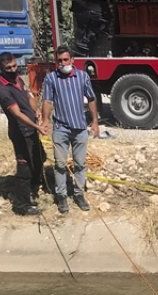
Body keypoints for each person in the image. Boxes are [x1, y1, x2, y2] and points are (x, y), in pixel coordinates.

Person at [40, 46, 101, 214]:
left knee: (80, 163)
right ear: (56, 62)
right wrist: (45, 121)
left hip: (80, 128)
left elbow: (91, 98)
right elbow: (47, 101)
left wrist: (95, 122)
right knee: (60, 164)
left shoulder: (82, 77)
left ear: (72, 60)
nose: (63, 63)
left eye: (66, 60)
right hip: (61, 128)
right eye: (59, 61)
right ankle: (61, 196)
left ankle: (79, 193)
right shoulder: (51, 78)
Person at [0, 52, 47, 215]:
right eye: (8, 68)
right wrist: (37, 127)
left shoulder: (17, 79)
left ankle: (35, 186)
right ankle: (21, 205)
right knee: (24, 168)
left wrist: (36, 109)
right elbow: (17, 114)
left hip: (31, 130)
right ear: (2, 68)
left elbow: (29, 95)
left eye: (14, 66)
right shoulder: (2, 89)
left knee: (40, 158)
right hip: (20, 133)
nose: (12, 69)